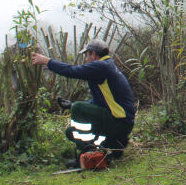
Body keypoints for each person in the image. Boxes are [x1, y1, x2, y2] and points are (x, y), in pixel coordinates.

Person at [31, 39, 136, 168]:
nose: (86, 59)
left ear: (93, 54)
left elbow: (71, 70)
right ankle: (115, 144)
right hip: (121, 123)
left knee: (78, 109)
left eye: (86, 55)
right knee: (71, 132)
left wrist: (46, 61)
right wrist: (71, 104)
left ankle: (87, 154)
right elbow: (100, 102)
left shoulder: (101, 66)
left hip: (119, 122)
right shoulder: (107, 66)